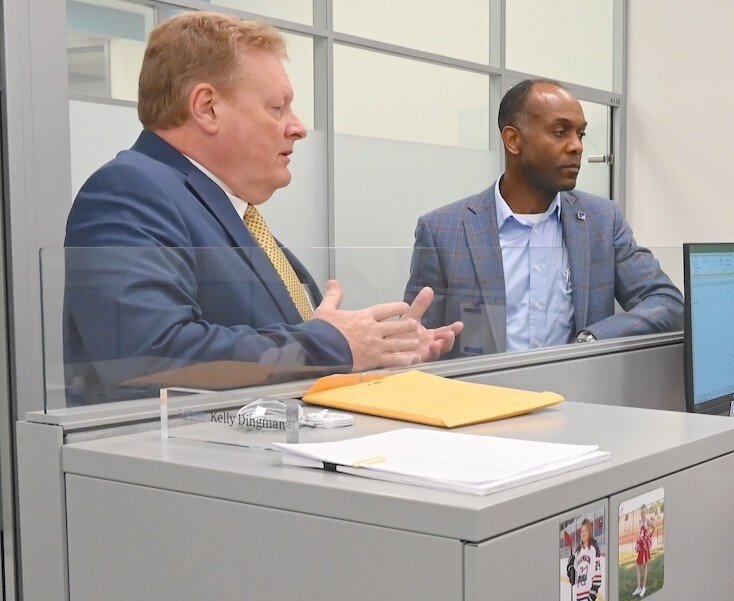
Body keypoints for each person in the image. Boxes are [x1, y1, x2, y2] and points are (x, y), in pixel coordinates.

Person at [62, 12, 460, 404]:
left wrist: (380, 353)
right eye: (277, 108)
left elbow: (283, 356)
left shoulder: (227, 211)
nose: (299, 127)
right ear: (207, 108)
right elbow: (146, 355)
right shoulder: (128, 192)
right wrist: (336, 344)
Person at [405, 79, 682, 357]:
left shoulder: (602, 221)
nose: (577, 147)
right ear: (514, 140)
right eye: (560, 132)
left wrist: (594, 339)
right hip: (483, 396)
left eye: (581, 134)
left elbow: (667, 303)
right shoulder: (443, 231)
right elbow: (419, 341)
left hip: (578, 398)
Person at [634, 510, 655, 596]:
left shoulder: (647, 521)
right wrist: (637, 543)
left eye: (644, 513)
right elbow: (640, 534)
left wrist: (649, 537)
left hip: (645, 547)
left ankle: (643, 587)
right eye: (641, 513)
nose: (642, 515)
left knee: (645, 565)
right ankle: (639, 588)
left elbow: (654, 527)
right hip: (641, 547)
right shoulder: (641, 522)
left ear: (646, 513)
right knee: (638, 565)